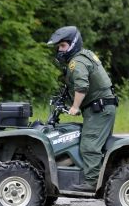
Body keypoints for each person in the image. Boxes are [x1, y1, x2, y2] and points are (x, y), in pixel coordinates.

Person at [47, 26, 118, 192]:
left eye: (63, 46)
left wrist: (74, 107)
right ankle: (99, 176)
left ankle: (93, 183)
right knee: (95, 143)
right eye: (58, 47)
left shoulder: (76, 62)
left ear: (73, 44)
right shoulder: (85, 55)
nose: (59, 50)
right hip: (102, 107)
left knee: (89, 145)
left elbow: (82, 86)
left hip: (99, 109)